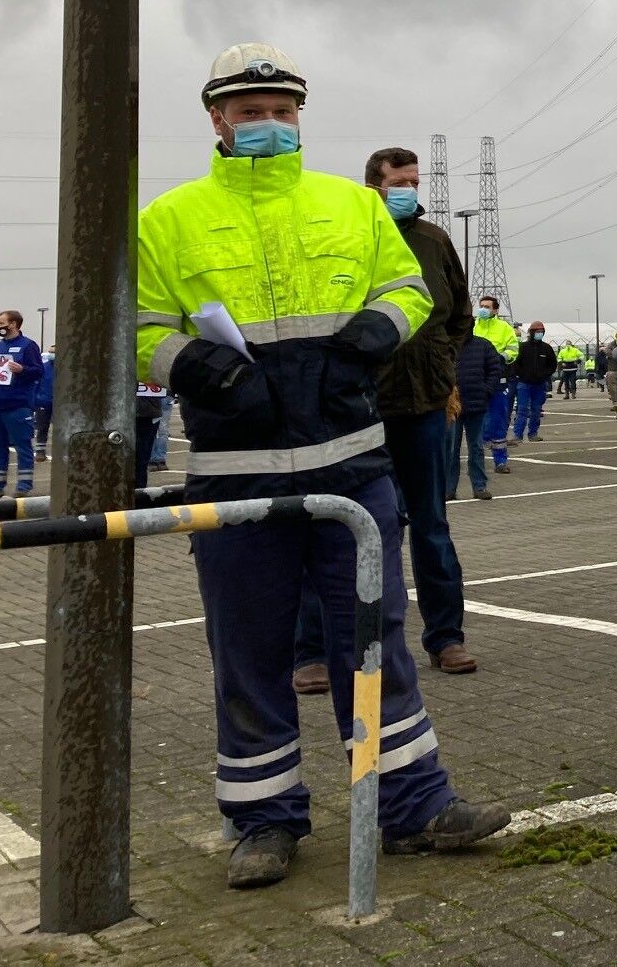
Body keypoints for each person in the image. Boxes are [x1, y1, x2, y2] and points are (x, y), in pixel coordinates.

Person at [136, 44, 506, 889]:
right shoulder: (167, 219)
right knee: (249, 653)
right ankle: (263, 821)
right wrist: (198, 366)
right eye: (250, 110)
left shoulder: (352, 204)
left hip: (350, 468)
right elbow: (141, 326)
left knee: (374, 641)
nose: (268, 122)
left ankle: (413, 806)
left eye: (281, 109)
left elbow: (409, 291)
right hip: (236, 477)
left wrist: (373, 334)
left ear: (300, 113)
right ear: (217, 118)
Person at [295, 146, 477, 692]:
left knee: (431, 525)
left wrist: (442, 363)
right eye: (400, 182)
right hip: (358, 407)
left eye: (415, 182)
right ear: (373, 185)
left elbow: (459, 314)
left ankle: (446, 638)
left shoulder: (434, 240)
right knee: (339, 525)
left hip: (424, 406)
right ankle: (313, 651)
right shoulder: (346, 233)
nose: (410, 191)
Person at [0, 311, 45, 500]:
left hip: (18, 405)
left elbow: (38, 371)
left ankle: (24, 486)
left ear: (13, 324)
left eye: (1, 323)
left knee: (22, 446)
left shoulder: (27, 346)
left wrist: (22, 370)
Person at [449, 331, 503, 502]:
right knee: (451, 449)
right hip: (452, 407)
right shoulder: (446, 344)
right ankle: (449, 489)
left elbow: (495, 369)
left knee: (476, 447)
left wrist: (486, 391)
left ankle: (479, 486)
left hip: (476, 404)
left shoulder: (483, 345)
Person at [473, 296, 519, 473]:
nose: (483, 309)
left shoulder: (504, 328)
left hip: (498, 380)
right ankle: (477, 463)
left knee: (498, 419)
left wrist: (500, 358)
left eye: (487, 306)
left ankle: (500, 461)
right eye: (481, 306)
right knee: (477, 421)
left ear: (495, 310)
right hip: (477, 380)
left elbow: (513, 349)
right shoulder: (473, 327)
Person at [511, 322, 557, 441]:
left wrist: (544, 374)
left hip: (540, 384)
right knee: (522, 409)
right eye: (537, 332)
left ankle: (533, 434)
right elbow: (515, 364)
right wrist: (522, 375)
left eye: (541, 332)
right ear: (531, 333)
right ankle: (517, 435)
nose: (539, 334)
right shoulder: (522, 347)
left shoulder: (546, 348)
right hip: (524, 383)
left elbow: (553, 365)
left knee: (536, 410)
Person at [31, 346, 54, 466]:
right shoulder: (43, 368)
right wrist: (35, 401)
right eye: (50, 352)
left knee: (61, 429)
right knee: (42, 427)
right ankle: (40, 451)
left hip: (60, 404)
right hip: (43, 402)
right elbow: (35, 385)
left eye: (53, 352)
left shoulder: (66, 369)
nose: (51, 354)